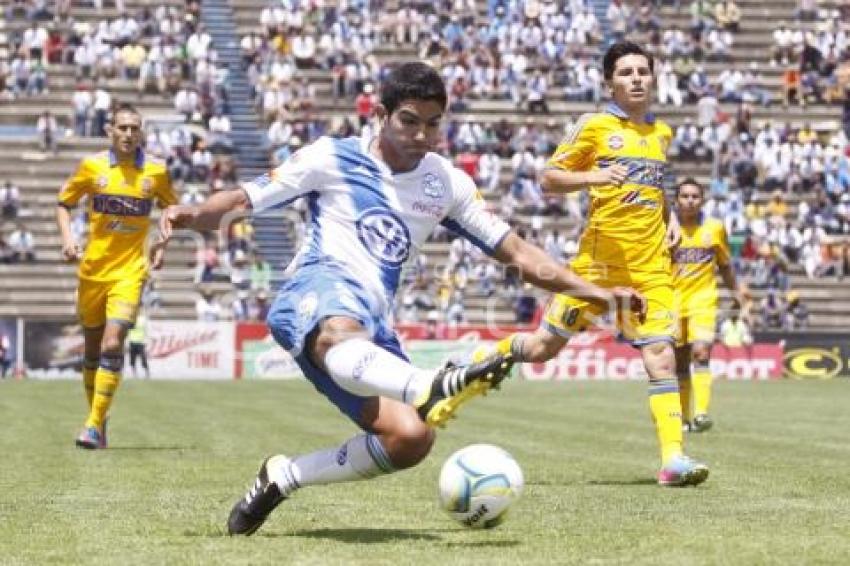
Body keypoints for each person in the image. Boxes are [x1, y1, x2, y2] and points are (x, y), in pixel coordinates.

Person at [153, 62, 645, 536]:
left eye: (433, 125)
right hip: (316, 293)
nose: (421, 136)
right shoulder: (331, 156)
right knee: (343, 333)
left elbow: (515, 251)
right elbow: (242, 201)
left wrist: (597, 294)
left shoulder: (446, 183)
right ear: (381, 115)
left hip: (371, 329)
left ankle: (284, 476)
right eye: (409, 121)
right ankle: (428, 384)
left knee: (410, 440)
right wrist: (190, 213)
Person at [475, 42, 710, 487]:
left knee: (660, 357)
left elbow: (655, 187)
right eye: (626, 72)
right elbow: (548, 179)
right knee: (543, 350)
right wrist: (593, 175)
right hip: (594, 269)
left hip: (651, 268)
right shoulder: (594, 126)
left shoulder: (661, 133)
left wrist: (671, 220)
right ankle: (501, 351)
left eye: (644, 70)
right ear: (610, 82)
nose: (637, 78)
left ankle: (673, 459)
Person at [55, 103, 177, 449]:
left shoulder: (156, 171)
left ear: (141, 132)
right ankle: (99, 417)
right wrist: (67, 240)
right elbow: (64, 203)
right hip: (92, 271)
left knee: (112, 343)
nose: (127, 134)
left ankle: (92, 425)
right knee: (92, 350)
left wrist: (162, 242)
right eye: (121, 127)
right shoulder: (92, 167)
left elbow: (172, 206)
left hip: (130, 272)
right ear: (110, 131)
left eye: (133, 128)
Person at [671, 179, 743, 433]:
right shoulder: (665, 229)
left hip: (703, 299)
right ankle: (682, 418)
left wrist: (737, 293)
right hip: (673, 301)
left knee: (701, 352)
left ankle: (701, 414)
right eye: (685, 196)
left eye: (695, 196)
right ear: (676, 200)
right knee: (679, 363)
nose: (690, 200)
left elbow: (725, 265)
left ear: (702, 200)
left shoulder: (715, 228)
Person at [127, 311, 150, 379]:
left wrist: (146, 340)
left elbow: (146, 330)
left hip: (140, 342)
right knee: (132, 359)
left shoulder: (143, 319)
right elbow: (128, 330)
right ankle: (134, 374)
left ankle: (147, 372)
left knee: (143, 358)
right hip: (132, 341)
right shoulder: (130, 319)